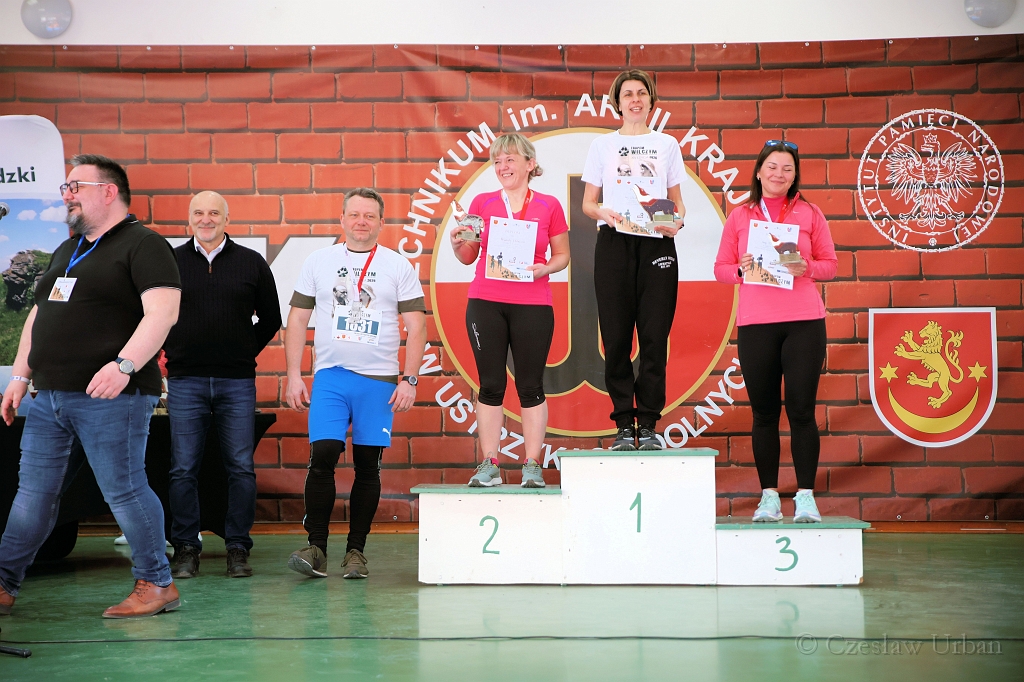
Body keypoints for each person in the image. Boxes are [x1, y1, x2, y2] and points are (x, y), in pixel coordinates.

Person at [0, 154, 182, 618]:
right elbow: (39, 316)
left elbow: (163, 313)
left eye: (75, 186)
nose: (66, 195)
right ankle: (3, 583)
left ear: (109, 191)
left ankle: (157, 584)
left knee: (124, 489)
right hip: (49, 396)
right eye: (65, 187)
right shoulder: (69, 249)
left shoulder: (144, 244)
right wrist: (20, 375)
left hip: (112, 395)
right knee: (33, 494)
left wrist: (124, 365)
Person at [284, 188, 427, 579]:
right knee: (324, 454)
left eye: (369, 216)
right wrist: (294, 374)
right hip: (331, 376)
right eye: (354, 214)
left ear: (381, 222)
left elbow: (417, 326)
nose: (361, 221)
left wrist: (410, 379)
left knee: (368, 466)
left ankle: (356, 552)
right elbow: (297, 319)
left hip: (378, 381)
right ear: (342, 219)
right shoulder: (319, 261)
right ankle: (316, 547)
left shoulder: (397, 265)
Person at [713, 140, 838, 523]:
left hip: (804, 323)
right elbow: (721, 269)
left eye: (787, 168)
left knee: (802, 411)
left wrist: (806, 268)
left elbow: (831, 265)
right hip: (756, 324)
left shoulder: (810, 213)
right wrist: (741, 268)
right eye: (772, 166)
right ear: (759, 171)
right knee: (764, 414)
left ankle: (805, 497)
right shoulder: (740, 216)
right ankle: (769, 498)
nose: (778, 174)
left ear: (795, 175)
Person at [162, 191, 282, 579]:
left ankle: (237, 547)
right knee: (183, 468)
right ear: (189, 219)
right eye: (199, 212)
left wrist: (242, 350)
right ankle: (185, 547)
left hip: (236, 381)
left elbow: (271, 318)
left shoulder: (251, 262)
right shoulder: (170, 261)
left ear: (227, 219)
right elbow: (153, 314)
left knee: (241, 468)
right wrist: (174, 347)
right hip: (185, 380)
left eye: (214, 212)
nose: (206, 219)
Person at [449, 133, 570, 488]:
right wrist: (458, 244)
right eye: (497, 161)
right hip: (486, 302)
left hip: (533, 304)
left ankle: (532, 464)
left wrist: (545, 269)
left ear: (530, 164)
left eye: (510, 159)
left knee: (530, 386)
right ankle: (489, 463)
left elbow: (563, 255)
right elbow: (468, 255)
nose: (503, 167)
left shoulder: (548, 205)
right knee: (490, 385)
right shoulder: (482, 202)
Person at [581, 69, 687, 451]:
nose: (635, 100)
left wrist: (676, 222)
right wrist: (605, 213)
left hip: (657, 243)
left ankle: (650, 424)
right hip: (614, 242)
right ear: (618, 103)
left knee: (655, 339)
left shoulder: (667, 144)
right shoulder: (602, 146)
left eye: (641, 93)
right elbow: (588, 203)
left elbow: (678, 204)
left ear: (651, 101)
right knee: (616, 338)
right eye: (627, 94)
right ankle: (625, 424)